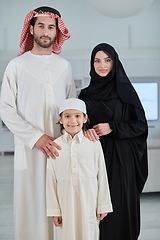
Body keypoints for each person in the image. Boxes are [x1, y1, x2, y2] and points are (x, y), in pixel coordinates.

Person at [0, 6, 76, 240]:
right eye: (41, 26)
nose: (46, 31)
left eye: (51, 27)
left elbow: (72, 107)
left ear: (57, 32)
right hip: (29, 150)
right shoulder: (16, 65)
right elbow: (6, 109)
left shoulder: (64, 66)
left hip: (61, 148)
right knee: (31, 205)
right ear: (31, 29)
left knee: (62, 204)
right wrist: (36, 137)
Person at [79, 43, 148, 240]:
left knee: (118, 206)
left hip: (121, 160)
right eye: (97, 61)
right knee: (97, 208)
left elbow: (141, 125)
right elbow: (80, 122)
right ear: (92, 64)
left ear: (115, 62)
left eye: (107, 60)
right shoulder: (85, 95)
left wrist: (113, 127)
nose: (102, 65)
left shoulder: (126, 91)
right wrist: (84, 130)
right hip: (94, 158)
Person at [46, 98, 113, 240]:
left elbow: (102, 175)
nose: (72, 121)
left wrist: (103, 205)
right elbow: (50, 180)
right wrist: (54, 210)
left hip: (89, 202)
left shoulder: (93, 144)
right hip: (65, 203)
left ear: (85, 118)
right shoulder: (55, 145)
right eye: (67, 116)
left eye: (77, 116)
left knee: (89, 233)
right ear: (60, 119)